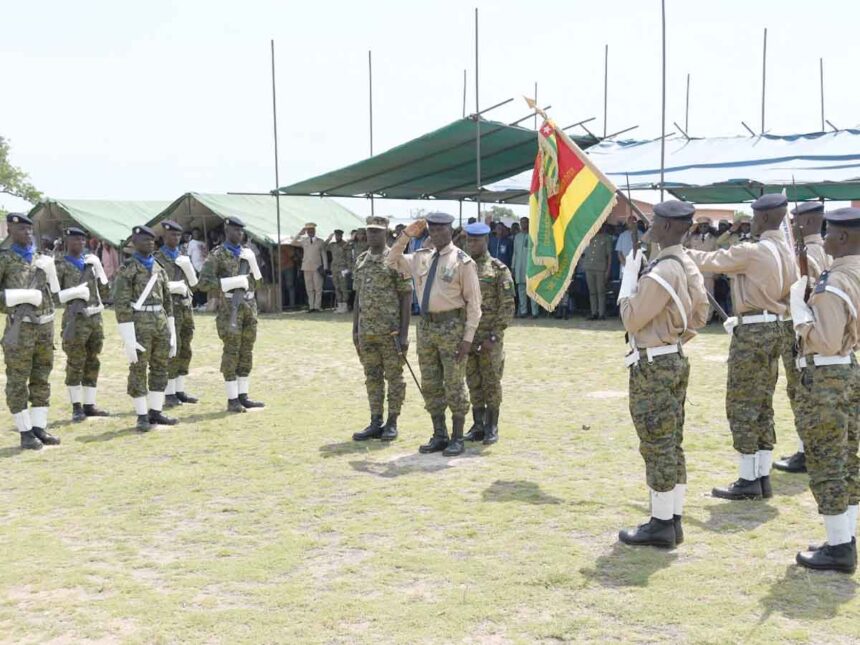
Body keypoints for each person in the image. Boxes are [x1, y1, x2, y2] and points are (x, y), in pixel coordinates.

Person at [686, 193, 796, 500]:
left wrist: (678, 253)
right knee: (763, 402)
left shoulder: (752, 251)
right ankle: (761, 476)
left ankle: (749, 479)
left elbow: (710, 261)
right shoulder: (785, 252)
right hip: (775, 325)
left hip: (753, 331)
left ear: (761, 219)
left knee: (742, 402)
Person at [616, 201, 709, 548]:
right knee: (671, 442)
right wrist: (673, 336)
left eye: (657, 221)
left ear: (670, 227)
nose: (650, 224)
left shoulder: (662, 270)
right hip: (673, 357)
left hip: (653, 365)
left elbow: (631, 318)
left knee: (656, 444)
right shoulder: (685, 263)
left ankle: (660, 524)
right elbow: (699, 315)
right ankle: (673, 519)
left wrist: (629, 278)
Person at [790, 206, 860, 574]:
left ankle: (838, 548)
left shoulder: (834, 282)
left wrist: (801, 316)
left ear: (845, 238)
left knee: (827, 461)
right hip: (849, 370)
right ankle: (844, 537)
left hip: (828, 376)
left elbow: (827, 339)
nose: (824, 238)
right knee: (848, 459)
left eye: (830, 232)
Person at [387, 212, 482, 456]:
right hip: (427, 327)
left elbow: (474, 305)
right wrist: (406, 235)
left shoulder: (462, 261)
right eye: (432, 229)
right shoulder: (421, 258)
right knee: (430, 383)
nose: (436, 233)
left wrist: (468, 339)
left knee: (454, 383)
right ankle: (439, 434)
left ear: (450, 231)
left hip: (452, 327)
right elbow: (391, 260)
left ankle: (457, 437)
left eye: (441, 229)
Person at [775, 201, 833, 475]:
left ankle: (806, 450)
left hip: (804, 328)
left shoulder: (808, 252)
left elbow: (801, 291)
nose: (791, 225)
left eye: (795, 220)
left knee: (801, 390)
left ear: (807, 222)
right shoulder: (828, 249)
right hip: (822, 330)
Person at [0, 213, 61, 449]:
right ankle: (25, 432)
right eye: (21, 230)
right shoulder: (5, 259)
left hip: (45, 326)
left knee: (41, 377)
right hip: (20, 328)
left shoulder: (40, 259)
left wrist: (52, 271)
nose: (26, 233)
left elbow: (56, 294)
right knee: (18, 379)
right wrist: (19, 296)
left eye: (29, 229)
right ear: (10, 232)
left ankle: (39, 426)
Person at [351, 216, 413, 442]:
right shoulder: (361, 260)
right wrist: (355, 329)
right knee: (372, 377)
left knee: (394, 378)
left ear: (386, 234)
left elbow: (406, 296)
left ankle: (392, 422)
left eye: (377, 232)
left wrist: (404, 334)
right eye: (369, 231)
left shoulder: (396, 259)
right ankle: (375, 420)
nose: (372, 236)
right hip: (367, 332)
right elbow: (358, 296)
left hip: (391, 333)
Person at [197, 216, 265, 412]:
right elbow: (203, 283)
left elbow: (258, 283)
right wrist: (229, 283)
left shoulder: (247, 254)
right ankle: (232, 398)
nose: (240, 234)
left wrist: (253, 265)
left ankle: (243, 395)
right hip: (230, 308)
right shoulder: (217, 255)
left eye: (242, 231)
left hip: (249, 307)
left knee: (246, 351)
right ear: (227, 231)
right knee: (231, 351)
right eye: (236, 230)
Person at [113, 225, 178, 432]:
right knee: (139, 368)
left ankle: (156, 412)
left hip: (159, 321)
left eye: (151, 240)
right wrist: (128, 338)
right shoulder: (128, 268)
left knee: (160, 367)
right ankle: (141, 415)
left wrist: (172, 331)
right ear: (134, 242)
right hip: (139, 323)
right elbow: (122, 305)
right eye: (144, 240)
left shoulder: (158, 267)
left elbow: (168, 302)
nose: (149, 243)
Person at [463, 223, 515, 445]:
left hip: (489, 338)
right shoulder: (463, 267)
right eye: (469, 240)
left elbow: (508, 306)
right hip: (468, 337)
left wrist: (493, 336)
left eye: (476, 240)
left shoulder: (497, 269)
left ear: (486, 241)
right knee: (473, 381)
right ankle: (478, 424)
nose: (472, 244)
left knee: (491, 381)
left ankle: (492, 426)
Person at [55, 226, 110, 422]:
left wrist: (100, 269)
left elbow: (105, 293)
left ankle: (89, 404)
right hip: (74, 319)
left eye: (83, 240)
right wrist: (74, 292)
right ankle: (76, 406)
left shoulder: (90, 263)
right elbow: (54, 297)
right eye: (75, 240)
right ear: (67, 242)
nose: (80, 243)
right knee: (75, 362)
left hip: (95, 318)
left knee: (93, 360)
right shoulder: (59, 264)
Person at [154, 220, 200, 408]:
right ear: (164, 237)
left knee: (185, 348)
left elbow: (195, 285)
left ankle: (179, 390)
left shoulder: (183, 257)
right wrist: (174, 286)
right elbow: (154, 286)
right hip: (168, 309)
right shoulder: (157, 258)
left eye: (178, 235)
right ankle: (169, 392)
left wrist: (189, 268)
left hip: (185, 307)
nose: (176, 238)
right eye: (172, 235)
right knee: (171, 348)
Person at [684, 218, 718, 321]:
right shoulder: (692, 237)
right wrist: (690, 230)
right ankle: (694, 317)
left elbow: (717, 255)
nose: (703, 228)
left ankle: (707, 318)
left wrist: (717, 272)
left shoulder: (714, 239)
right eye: (701, 226)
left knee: (709, 296)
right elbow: (683, 245)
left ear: (709, 227)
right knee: (694, 294)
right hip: (694, 270)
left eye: (705, 226)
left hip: (708, 271)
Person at [292, 223, 327, 313]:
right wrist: (300, 233)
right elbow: (292, 242)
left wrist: (325, 267)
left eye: (312, 230)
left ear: (315, 231)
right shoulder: (304, 241)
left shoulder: (320, 241)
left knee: (318, 288)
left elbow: (324, 254)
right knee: (309, 288)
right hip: (306, 267)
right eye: (308, 231)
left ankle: (317, 306)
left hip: (317, 267)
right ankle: (311, 306)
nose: (310, 232)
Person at [581, 224, 614, 320]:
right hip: (589, 267)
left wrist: (608, 269)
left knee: (601, 291)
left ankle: (601, 313)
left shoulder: (606, 238)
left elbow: (609, 256)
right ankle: (594, 312)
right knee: (592, 292)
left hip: (600, 268)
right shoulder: (588, 237)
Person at [512, 216, 538, 318]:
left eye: (525, 222)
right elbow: (515, 253)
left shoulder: (533, 236)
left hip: (531, 266)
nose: (523, 224)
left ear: (529, 223)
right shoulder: (517, 236)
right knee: (521, 289)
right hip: (519, 267)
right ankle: (523, 311)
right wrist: (513, 267)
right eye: (522, 222)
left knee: (532, 289)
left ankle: (535, 312)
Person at [326, 229, 351, 313]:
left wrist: (348, 268)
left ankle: (345, 305)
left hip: (342, 269)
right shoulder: (332, 245)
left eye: (339, 236)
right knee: (337, 287)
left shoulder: (346, 245)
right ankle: (339, 305)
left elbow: (348, 258)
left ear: (341, 236)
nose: (337, 237)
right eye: (336, 236)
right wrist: (329, 238)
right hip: (334, 268)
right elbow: (322, 247)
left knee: (343, 287)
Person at [188, 228, 208, 309]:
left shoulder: (204, 243)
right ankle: (199, 302)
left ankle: (204, 302)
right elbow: (189, 255)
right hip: (195, 266)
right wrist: (191, 267)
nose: (196, 234)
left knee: (204, 285)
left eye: (197, 233)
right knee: (196, 286)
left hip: (203, 267)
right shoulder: (191, 243)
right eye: (194, 233)